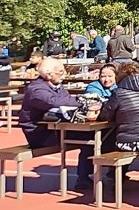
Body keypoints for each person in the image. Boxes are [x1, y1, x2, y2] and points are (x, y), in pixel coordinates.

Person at [18, 57, 117, 188]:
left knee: (98, 136)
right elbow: (56, 102)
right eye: (60, 72)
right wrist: (82, 102)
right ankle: (84, 178)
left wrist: (78, 102)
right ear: (49, 74)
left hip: (57, 128)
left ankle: (98, 173)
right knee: (90, 138)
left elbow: (67, 99)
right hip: (40, 133)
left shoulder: (56, 86)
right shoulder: (36, 89)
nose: (63, 75)